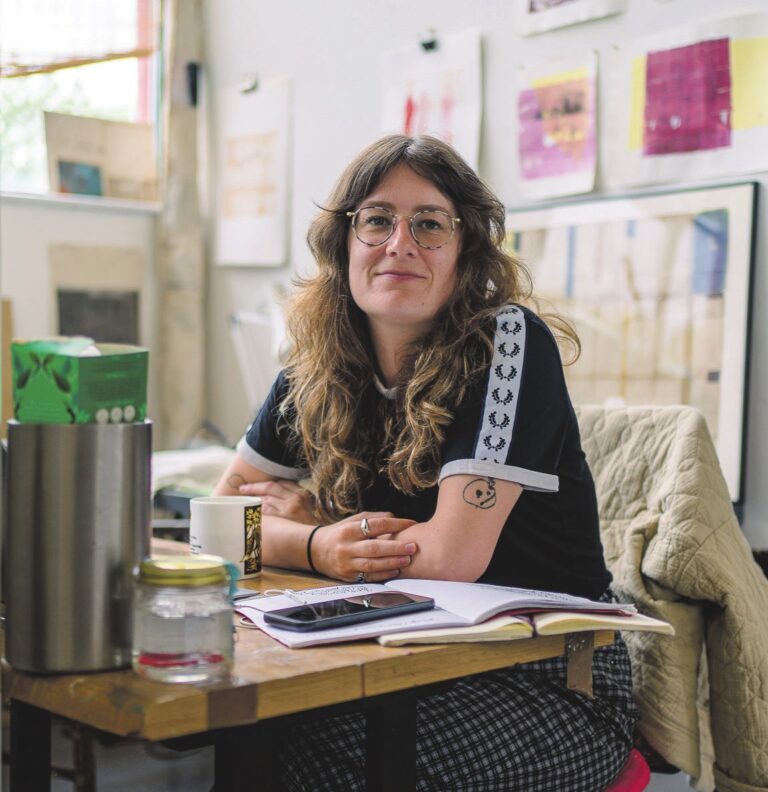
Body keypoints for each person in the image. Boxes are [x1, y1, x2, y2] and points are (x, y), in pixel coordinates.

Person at [214, 134, 638, 791]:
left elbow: (450, 558)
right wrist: (321, 542)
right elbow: (217, 524)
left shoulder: (508, 342)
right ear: (343, 244)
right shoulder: (313, 362)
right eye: (377, 220)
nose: (400, 243)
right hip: (399, 653)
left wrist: (303, 533)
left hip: (547, 677)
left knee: (294, 734)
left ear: (466, 250)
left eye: (430, 224)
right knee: (252, 720)